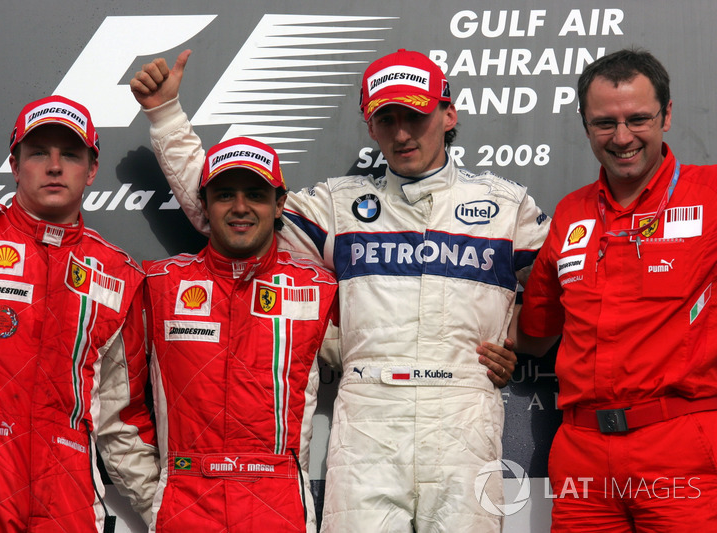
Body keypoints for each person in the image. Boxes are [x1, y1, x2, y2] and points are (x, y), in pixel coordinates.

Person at [131, 48, 548, 532]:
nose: (401, 133)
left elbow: (567, 283)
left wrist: (520, 334)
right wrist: (166, 115)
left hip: (463, 408)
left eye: (415, 115)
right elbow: (227, 214)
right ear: (370, 127)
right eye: (386, 119)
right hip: (368, 411)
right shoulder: (338, 206)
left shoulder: (503, 204)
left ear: (448, 114)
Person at [0, 95, 159, 532]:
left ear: (92, 169)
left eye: (69, 154)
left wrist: (168, 517)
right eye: (37, 153)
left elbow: (121, 423)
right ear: (14, 165)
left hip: (68, 500)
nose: (53, 166)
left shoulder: (119, 276)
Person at [518, 48, 717, 530]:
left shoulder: (709, 194)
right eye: (605, 123)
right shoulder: (570, 213)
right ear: (585, 124)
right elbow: (535, 333)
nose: (622, 137)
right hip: (582, 459)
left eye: (638, 119)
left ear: (667, 115)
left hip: (679, 452)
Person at [143, 136, 338, 532]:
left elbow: (377, 359)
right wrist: (157, 493)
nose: (240, 207)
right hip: (184, 502)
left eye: (255, 194)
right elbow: (116, 402)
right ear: (205, 203)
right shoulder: (158, 286)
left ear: (279, 204)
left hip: (279, 503)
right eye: (225, 194)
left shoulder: (320, 290)